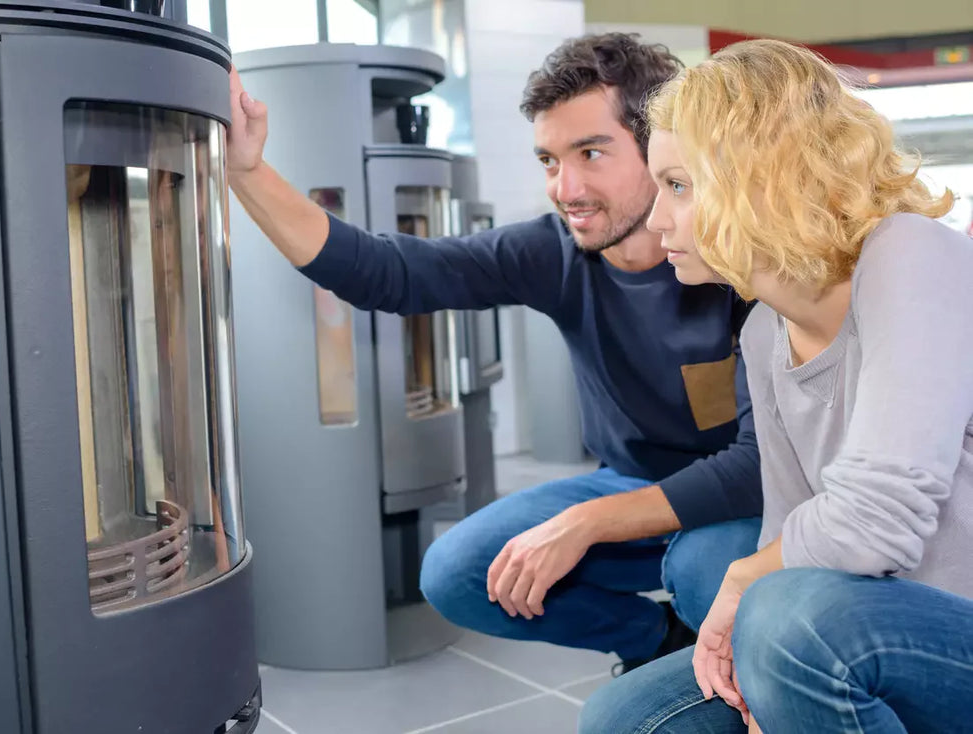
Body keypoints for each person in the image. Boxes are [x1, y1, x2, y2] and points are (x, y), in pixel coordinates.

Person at [226, 33, 764, 672]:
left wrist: (590, 523)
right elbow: (386, 273)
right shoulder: (552, 253)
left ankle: (732, 685)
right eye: (548, 160)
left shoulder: (741, 262)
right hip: (629, 481)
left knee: (707, 570)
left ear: (662, 149)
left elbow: (757, 466)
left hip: (739, 502)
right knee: (457, 573)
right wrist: (247, 171)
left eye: (591, 153)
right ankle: (658, 642)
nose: (566, 188)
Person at [580, 38, 973, 733]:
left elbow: (876, 519)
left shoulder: (912, 252)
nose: (658, 218)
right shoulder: (764, 331)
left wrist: (746, 591)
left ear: (764, 176)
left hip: (936, 633)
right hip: (863, 627)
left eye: (678, 185)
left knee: (786, 619)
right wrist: (763, 675)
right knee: (625, 718)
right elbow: (787, 523)